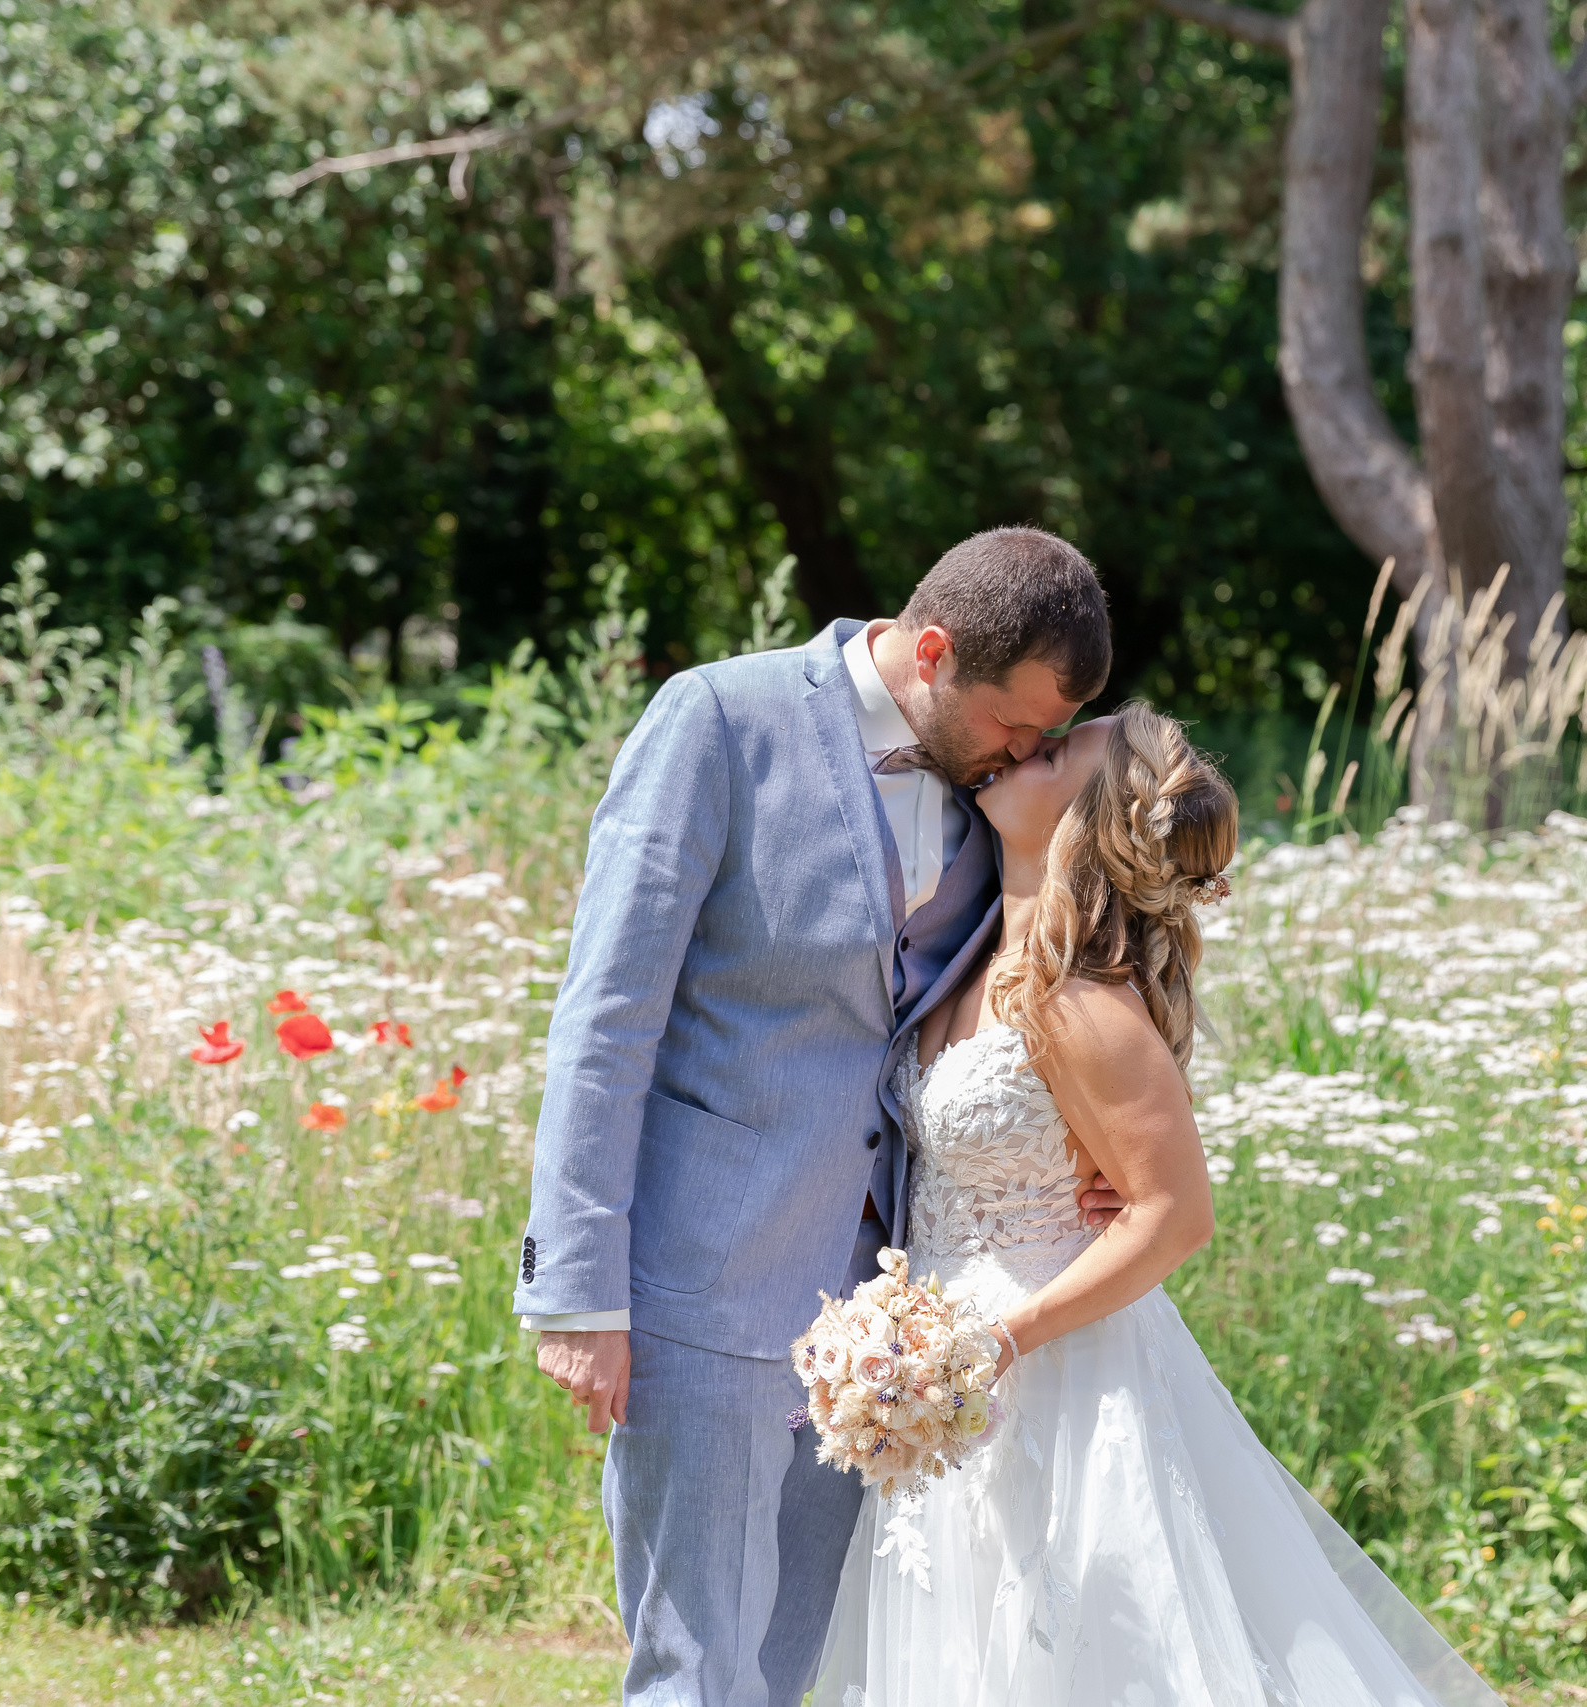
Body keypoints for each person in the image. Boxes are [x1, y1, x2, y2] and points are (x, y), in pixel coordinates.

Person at [515, 526, 1112, 1706]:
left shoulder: (998, 794)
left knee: (807, 1663)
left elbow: (1033, 980)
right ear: (930, 651)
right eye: (1012, 724)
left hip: (886, 1313)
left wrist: (1086, 1146)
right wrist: (576, 1287)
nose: (1029, 753)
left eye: (1047, 734)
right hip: (702, 1276)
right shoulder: (718, 723)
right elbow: (606, 1013)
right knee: (693, 1666)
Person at [810, 702, 1505, 1707]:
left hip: (1048, 1359)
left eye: (1052, 754)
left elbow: (1175, 1211)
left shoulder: (1078, 999)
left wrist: (1004, 1340)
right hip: (943, 1352)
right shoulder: (968, 955)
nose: (1020, 751)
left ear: (1088, 822)